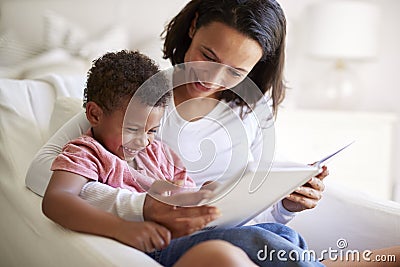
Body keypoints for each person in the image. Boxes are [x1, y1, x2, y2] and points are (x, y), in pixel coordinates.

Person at [27, 0, 329, 266]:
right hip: (176, 243)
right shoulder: (139, 96)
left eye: (236, 73)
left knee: (281, 234)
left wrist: (282, 206)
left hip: (215, 234)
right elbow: (43, 175)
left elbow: (231, 216)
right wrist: (140, 210)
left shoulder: (244, 117)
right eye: (208, 56)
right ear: (194, 26)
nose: (213, 79)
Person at [42, 50, 258, 267]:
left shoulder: (160, 154)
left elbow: (186, 195)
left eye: (152, 130)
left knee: (279, 234)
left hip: (188, 234)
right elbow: (56, 199)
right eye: (132, 129)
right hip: (157, 245)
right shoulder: (88, 152)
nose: (143, 141)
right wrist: (121, 227)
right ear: (95, 115)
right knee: (256, 241)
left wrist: (206, 194)